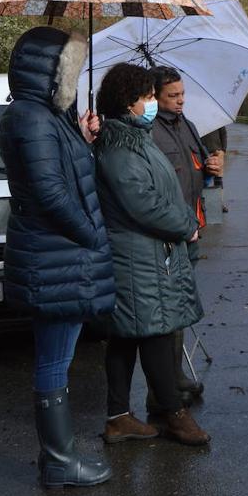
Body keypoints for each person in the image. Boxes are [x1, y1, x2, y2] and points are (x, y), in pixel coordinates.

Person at [0, 26, 114, 488]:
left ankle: (58, 459)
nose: (75, 76)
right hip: (57, 254)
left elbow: (60, 173)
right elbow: (49, 192)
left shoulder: (45, 116)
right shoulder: (31, 118)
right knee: (53, 359)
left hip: (57, 254)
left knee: (57, 357)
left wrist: (80, 140)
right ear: (51, 70)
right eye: (71, 67)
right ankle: (60, 462)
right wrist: (89, 235)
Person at [93, 64, 209, 446]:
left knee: (126, 337)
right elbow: (142, 202)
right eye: (146, 97)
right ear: (129, 103)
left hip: (144, 253)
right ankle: (174, 414)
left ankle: (118, 417)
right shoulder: (120, 147)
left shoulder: (134, 138)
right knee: (156, 332)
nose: (152, 103)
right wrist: (184, 224)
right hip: (137, 255)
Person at [149, 65, 222, 403]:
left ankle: (173, 377)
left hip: (192, 228)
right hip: (167, 233)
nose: (180, 101)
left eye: (182, 94)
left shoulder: (189, 125)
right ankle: (164, 386)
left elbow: (200, 167)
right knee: (169, 309)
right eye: (172, 96)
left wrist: (212, 167)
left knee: (181, 305)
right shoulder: (147, 130)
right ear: (154, 96)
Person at [201, 126, 229, 212]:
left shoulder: (215, 117)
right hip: (201, 153)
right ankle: (201, 203)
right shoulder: (196, 119)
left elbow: (223, 134)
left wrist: (223, 150)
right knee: (202, 180)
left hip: (217, 152)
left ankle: (219, 203)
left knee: (218, 180)